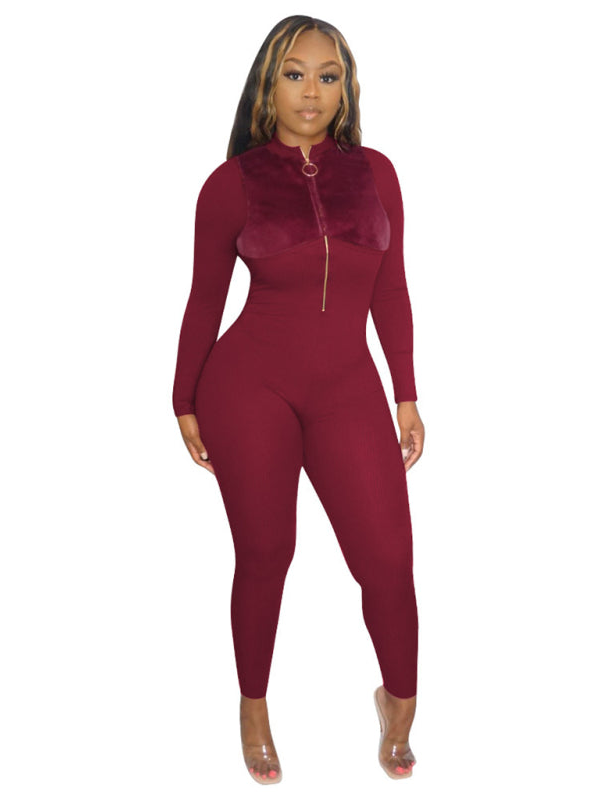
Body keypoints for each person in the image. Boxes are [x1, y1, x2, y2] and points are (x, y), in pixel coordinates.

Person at [172, 15, 425, 784]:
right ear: (268, 85)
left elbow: (391, 290)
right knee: (267, 553)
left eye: (327, 75)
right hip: (248, 387)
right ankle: (253, 708)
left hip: (349, 388)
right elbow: (204, 299)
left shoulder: (376, 174)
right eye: (294, 73)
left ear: (347, 89)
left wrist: (407, 394)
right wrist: (182, 399)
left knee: (388, 560)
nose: (310, 90)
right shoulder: (232, 184)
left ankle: (399, 701)